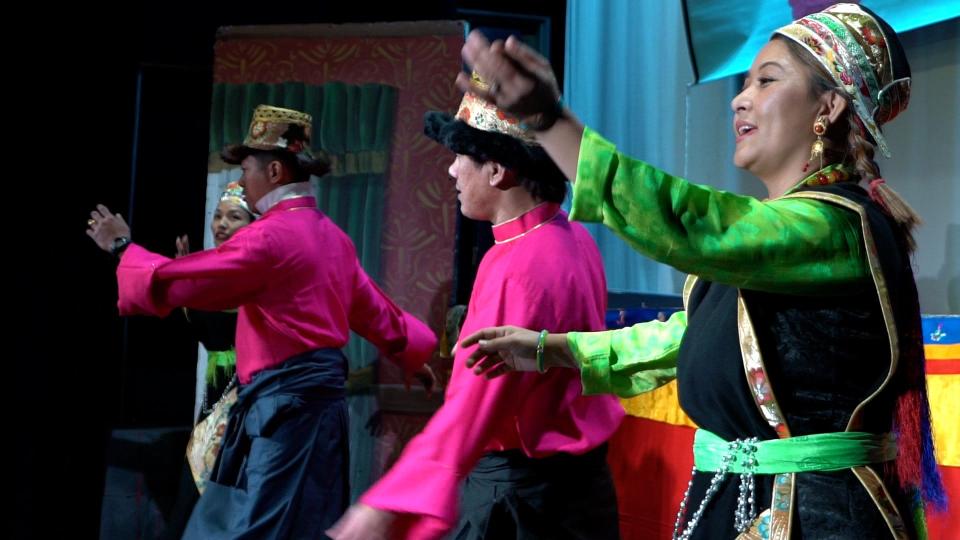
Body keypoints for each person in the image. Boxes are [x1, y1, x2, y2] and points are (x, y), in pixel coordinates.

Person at [458, 4, 945, 538]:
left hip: (815, 516)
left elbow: (690, 224)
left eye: (767, 80)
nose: (741, 97)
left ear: (826, 107)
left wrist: (551, 123)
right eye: (746, 82)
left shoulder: (836, 226)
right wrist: (558, 350)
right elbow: (697, 336)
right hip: (744, 501)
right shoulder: (776, 236)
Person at [87, 104, 438, 540]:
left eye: (246, 169)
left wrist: (124, 248)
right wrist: (411, 354)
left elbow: (193, 278)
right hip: (313, 413)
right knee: (294, 524)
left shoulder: (269, 238)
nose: (239, 181)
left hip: (285, 412)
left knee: (261, 529)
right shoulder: (330, 235)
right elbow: (371, 308)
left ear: (274, 171)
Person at [328, 76, 625, 540]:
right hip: (579, 489)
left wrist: (388, 504)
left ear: (498, 170)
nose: (451, 172)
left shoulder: (517, 263)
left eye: (460, 157)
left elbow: (472, 402)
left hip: (521, 497)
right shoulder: (572, 236)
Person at [160, 181, 256, 540]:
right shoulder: (213, 272)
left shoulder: (254, 276)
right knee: (197, 490)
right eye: (218, 216)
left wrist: (188, 280)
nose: (222, 224)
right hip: (216, 392)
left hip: (246, 392)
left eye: (234, 217)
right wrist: (186, 276)